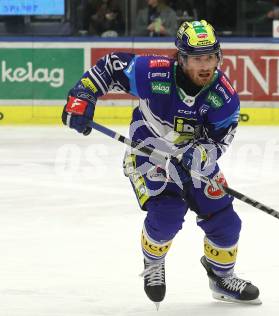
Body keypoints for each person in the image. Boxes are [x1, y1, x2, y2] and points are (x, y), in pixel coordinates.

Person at [61, 20, 261, 308]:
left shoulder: (223, 96)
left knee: (226, 221)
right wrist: (82, 95)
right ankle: (153, 262)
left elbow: (221, 139)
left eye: (210, 58)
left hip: (192, 162)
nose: (205, 66)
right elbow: (111, 66)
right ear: (181, 58)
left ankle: (221, 277)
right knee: (167, 213)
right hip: (147, 154)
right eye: (196, 59)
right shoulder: (154, 72)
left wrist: (203, 154)